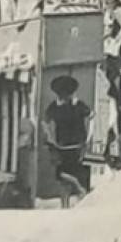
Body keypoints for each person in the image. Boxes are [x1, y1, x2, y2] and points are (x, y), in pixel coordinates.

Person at [43, 75, 92, 203]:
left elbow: (92, 117)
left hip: (75, 146)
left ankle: (79, 191)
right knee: (62, 176)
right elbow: (45, 122)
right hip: (62, 145)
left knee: (68, 174)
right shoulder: (56, 106)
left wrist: (88, 137)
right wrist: (50, 137)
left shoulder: (77, 105)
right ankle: (66, 203)